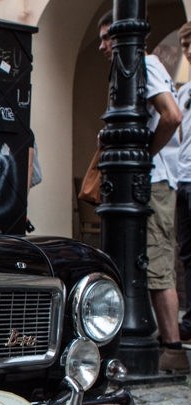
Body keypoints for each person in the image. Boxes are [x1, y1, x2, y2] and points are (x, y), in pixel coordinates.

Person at [99, 11, 186, 373]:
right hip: (147, 180)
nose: (104, 45)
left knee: (157, 264)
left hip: (153, 180)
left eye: (108, 37)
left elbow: (172, 116)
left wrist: (144, 154)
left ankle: (173, 348)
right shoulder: (136, 65)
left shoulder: (143, 62)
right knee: (145, 260)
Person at [176, 22, 191, 346]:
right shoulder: (185, 91)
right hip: (183, 177)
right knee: (187, 253)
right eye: (185, 45)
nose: (188, 52)